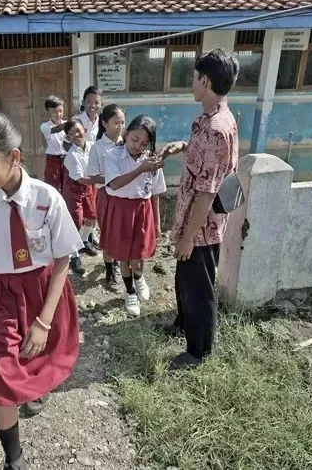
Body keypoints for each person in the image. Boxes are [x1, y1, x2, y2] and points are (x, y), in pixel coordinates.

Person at [0, 111, 82, 470]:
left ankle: (33, 388)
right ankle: (13, 459)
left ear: (13, 156)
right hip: (1, 293)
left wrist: (44, 321)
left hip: (42, 290)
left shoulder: (47, 198)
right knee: (1, 370)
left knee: (36, 349)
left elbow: (62, 259)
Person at [159, 49, 240, 370]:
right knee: (185, 279)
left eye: (194, 78)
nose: (192, 83)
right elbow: (205, 160)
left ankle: (199, 351)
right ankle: (183, 323)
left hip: (201, 227)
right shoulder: (207, 120)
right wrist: (183, 146)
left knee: (199, 289)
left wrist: (188, 237)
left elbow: (207, 192)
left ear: (205, 81)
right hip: (192, 218)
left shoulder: (216, 128)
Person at [102, 115, 165, 316]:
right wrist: (140, 169)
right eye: (135, 139)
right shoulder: (112, 155)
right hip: (121, 209)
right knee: (123, 254)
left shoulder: (152, 160)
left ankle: (138, 277)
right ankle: (129, 291)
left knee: (139, 252)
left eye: (145, 143)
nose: (138, 146)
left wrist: (157, 223)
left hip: (142, 209)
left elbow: (155, 193)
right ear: (126, 133)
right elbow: (114, 184)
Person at [85, 103, 126, 287]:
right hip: (106, 196)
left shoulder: (127, 144)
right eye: (117, 123)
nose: (121, 126)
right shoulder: (97, 148)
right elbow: (93, 176)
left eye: (123, 122)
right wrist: (114, 180)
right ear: (104, 123)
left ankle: (118, 262)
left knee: (122, 232)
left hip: (125, 196)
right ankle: (110, 269)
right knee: (108, 233)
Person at [62, 119, 99, 275]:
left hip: (89, 185)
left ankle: (84, 240)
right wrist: (105, 179)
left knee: (92, 216)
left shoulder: (93, 147)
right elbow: (81, 179)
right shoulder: (71, 156)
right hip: (74, 188)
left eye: (78, 131)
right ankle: (74, 255)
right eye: (71, 134)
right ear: (68, 138)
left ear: (84, 130)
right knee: (76, 221)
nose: (76, 135)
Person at [39, 95, 67, 192]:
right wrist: (71, 124)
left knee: (67, 186)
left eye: (60, 111)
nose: (58, 114)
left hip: (67, 159)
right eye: (54, 111)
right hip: (53, 160)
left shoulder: (66, 123)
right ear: (49, 111)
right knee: (53, 187)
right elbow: (56, 129)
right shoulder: (45, 126)